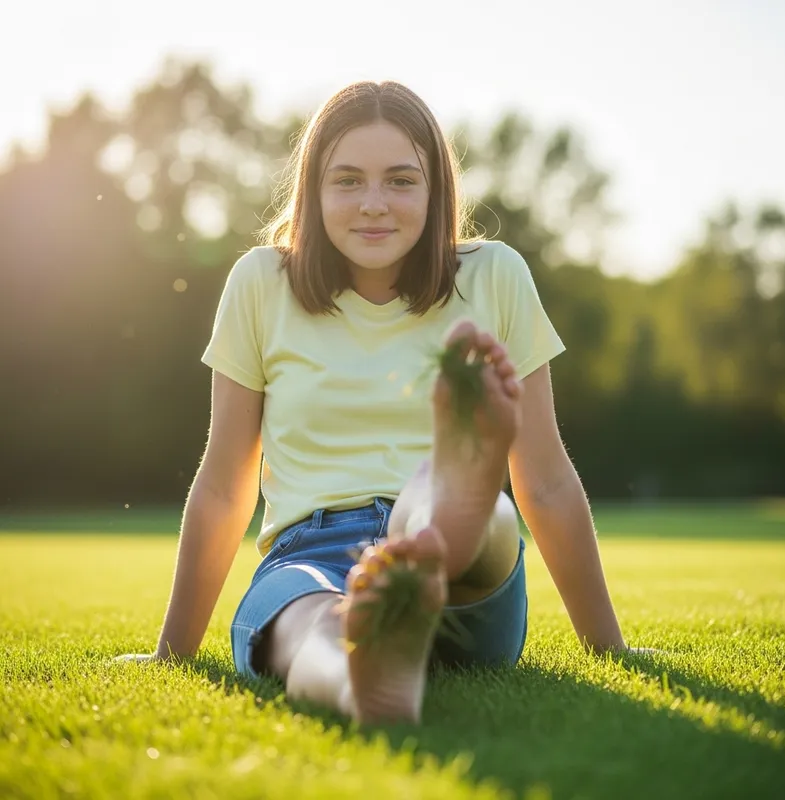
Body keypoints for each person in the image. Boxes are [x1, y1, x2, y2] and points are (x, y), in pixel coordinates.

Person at [118, 80, 631, 724]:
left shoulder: (494, 275)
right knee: (312, 622)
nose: (374, 205)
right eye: (348, 181)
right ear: (314, 191)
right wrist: (172, 650)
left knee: (457, 511)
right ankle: (367, 677)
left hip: (462, 571)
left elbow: (547, 478)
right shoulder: (260, 284)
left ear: (436, 189)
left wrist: (609, 648)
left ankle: (442, 524)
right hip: (309, 558)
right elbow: (225, 484)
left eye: (400, 180)